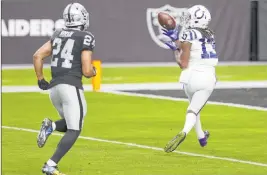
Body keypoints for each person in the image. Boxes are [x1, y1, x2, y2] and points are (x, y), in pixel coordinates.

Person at [33, 3, 96, 174]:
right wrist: (93, 72)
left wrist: (40, 79)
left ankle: (51, 126)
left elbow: (38, 55)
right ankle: (50, 164)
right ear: (81, 17)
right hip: (71, 87)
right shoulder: (85, 36)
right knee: (75, 129)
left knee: (71, 124)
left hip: (54, 89)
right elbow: (87, 70)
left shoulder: (58, 34)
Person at [162, 5, 218, 153]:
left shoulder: (187, 34)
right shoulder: (210, 34)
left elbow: (182, 62)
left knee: (194, 109)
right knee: (193, 110)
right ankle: (184, 131)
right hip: (206, 77)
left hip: (188, 78)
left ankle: (201, 138)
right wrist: (177, 44)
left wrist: (175, 46)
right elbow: (188, 53)